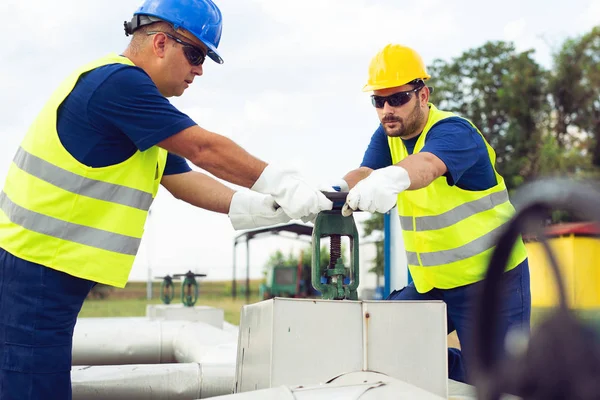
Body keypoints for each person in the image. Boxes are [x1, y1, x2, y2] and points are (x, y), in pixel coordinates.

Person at [0, 1, 332, 398]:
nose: (200, 69)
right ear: (161, 42)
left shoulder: (137, 108)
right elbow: (203, 148)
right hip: (33, 272)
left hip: (41, 272)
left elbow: (182, 179)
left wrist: (265, 208)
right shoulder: (119, 84)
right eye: (195, 54)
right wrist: (285, 185)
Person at [338, 44, 531, 383]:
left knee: (499, 383)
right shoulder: (389, 134)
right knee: (377, 342)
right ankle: (462, 371)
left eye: (397, 98)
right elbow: (364, 172)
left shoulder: (456, 132)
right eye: (378, 101)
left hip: (491, 282)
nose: (386, 110)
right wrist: (331, 192)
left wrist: (392, 178)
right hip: (434, 285)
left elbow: (426, 165)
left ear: (423, 94)